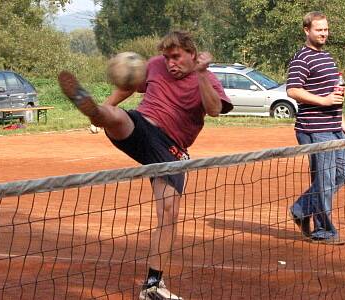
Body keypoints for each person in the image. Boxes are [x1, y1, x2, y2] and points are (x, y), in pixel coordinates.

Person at [58, 31, 233, 300]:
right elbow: (131, 85)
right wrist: (106, 105)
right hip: (142, 127)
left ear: (192, 55)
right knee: (118, 117)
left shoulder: (207, 78)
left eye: (176, 57)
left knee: (169, 212)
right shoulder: (154, 65)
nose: (170, 62)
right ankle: (96, 111)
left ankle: (152, 285)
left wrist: (200, 74)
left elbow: (214, 110)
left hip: (170, 149)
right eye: (167, 57)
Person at [286, 11, 345, 245]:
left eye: (325, 29)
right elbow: (293, 90)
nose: (324, 33)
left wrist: (341, 119)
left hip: (333, 127)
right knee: (323, 180)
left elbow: (335, 90)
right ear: (307, 30)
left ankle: (300, 209)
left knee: (343, 173)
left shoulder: (327, 57)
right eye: (319, 29)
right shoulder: (302, 58)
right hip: (313, 128)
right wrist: (324, 102)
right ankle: (323, 230)